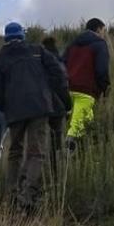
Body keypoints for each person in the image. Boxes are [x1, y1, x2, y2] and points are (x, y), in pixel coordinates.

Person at [0, 21, 71, 214]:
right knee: (36, 152)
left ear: (6, 38)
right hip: (39, 107)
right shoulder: (37, 51)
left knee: (15, 151)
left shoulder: (0, 59)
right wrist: (63, 100)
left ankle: (12, 194)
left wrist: (6, 106)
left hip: (14, 112)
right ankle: (27, 195)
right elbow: (58, 74)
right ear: (22, 36)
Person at [63, 18, 110, 151]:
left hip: (68, 89)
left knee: (88, 120)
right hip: (86, 91)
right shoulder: (100, 44)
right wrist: (104, 88)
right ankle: (67, 159)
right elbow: (101, 70)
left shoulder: (72, 44)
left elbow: (61, 63)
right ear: (98, 29)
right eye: (103, 30)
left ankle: (85, 153)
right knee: (76, 128)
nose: (104, 34)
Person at [41, 36, 69, 176]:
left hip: (41, 106)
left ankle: (43, 171)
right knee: (57, 138)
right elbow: (63, 85)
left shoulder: (39, 63)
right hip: (58, 106)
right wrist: (68, 105)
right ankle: (56, 172)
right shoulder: (59, 62)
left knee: (40, 139)